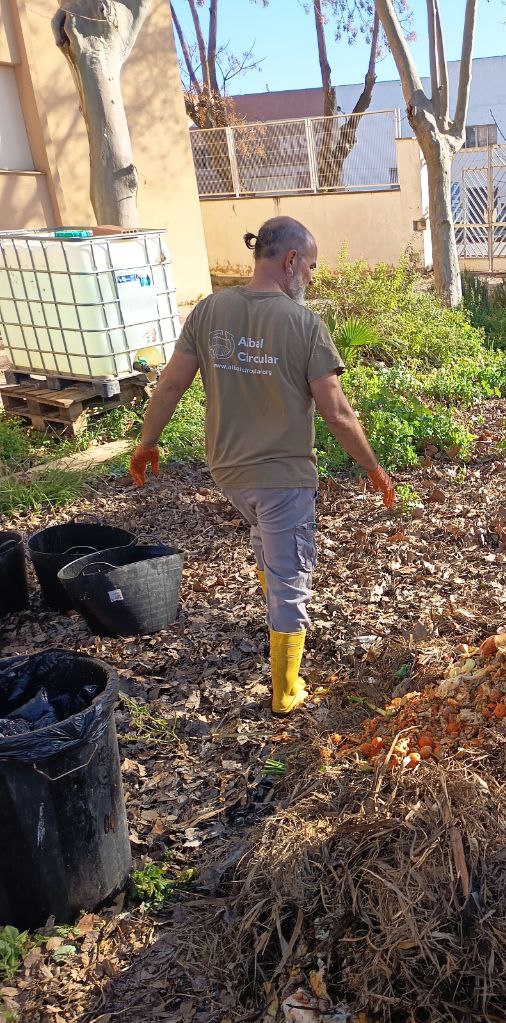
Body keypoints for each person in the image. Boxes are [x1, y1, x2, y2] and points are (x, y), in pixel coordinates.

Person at [129, 216, 394, 716]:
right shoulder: (304, 325)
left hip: (229, 473)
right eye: (310, 265)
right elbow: (337, 412)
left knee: (267, 541)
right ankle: (286, 691)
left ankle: (276, 611)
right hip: (282, 479)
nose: (311, 276)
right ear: (290, 260)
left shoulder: (210, 310)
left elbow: (170, 385)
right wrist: (374, 468)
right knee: (291, 576)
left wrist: (147, 443)